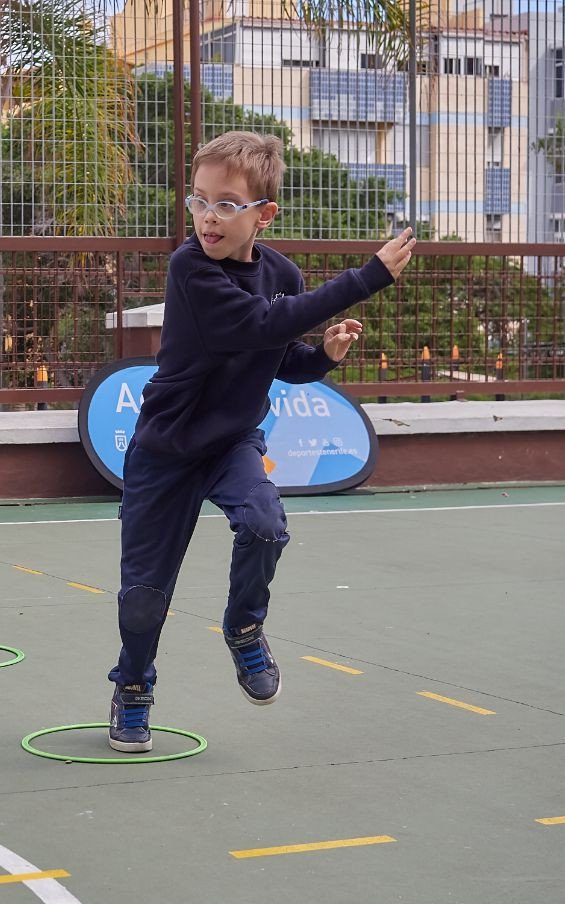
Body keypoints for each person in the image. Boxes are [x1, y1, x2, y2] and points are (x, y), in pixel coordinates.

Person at [106, 131, 416, 753]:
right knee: (143, 598)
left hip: (230, 444)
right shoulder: (190, 269)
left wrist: (322, 356)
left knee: (265, 525)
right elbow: (258, 324)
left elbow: (278, 352)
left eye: (225, 204)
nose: (207, 217)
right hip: (165, 451)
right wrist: (368, 277)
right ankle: (133, 688)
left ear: (264, 214)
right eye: (198, 201)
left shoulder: (282, 274)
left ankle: (244, 627)